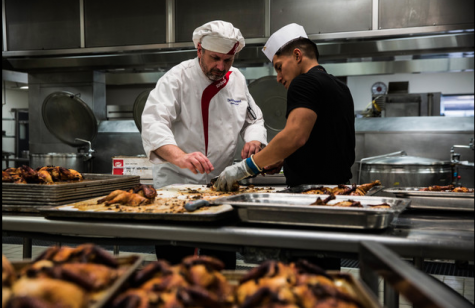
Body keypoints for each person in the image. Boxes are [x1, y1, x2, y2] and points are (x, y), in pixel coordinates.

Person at [214, 24, 356, 270]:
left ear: (298, 56)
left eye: (279, 67)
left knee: (301, 280)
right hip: (337, 200)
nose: (278, 78)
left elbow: (295, 136)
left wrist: (244, 168)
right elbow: (323, 141)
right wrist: (285, 160)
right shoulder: (341, 88)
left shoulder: (303, 83)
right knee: (325, 275)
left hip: (309, 204)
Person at [141, 20, 267, 269]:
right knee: (175, 264)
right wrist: (179, 157)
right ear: (199, 50)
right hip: (176, 184)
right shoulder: (177, 78)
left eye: (227, 61)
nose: (221, 67)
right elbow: (154, 122)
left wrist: (254, 138)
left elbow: (254, 117)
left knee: (219, 262)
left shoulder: (237, 80)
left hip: (219, 186)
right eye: (214, 58)